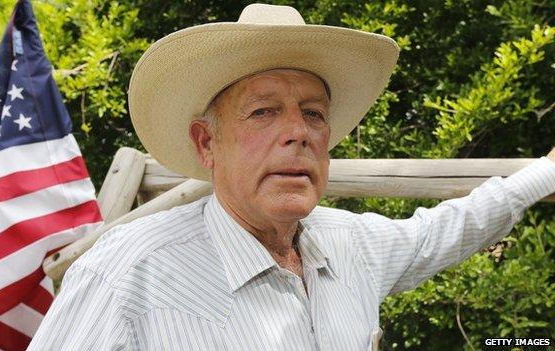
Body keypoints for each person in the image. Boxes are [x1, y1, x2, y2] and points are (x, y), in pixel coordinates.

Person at [28, 4, 555, 350]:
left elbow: (450, 227)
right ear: (206, 143)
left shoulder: (351, 244)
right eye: (263, 112)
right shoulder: (127, 273)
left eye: (314, 113)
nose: (298, 133)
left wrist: (544, 173)